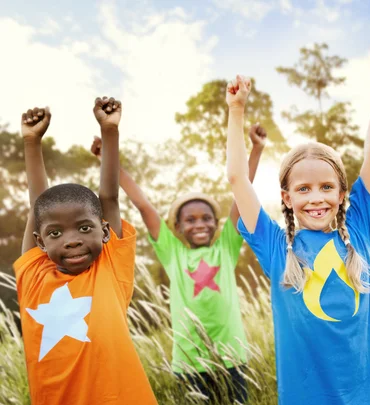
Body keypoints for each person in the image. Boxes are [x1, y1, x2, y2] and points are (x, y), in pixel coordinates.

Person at [226, 47, 370, 404]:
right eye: (303, 189)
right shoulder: (277, 247)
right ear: (287, 198)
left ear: (342, 193)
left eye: (327, 187)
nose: (316, 198)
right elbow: (236, 179)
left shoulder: (358, 227)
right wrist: (236, 112)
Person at [90, 123, 267, 403]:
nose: (200, 224)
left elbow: (241, 196)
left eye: (207, 218)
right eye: (191, 220)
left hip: (232, 357)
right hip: (190, 363)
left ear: (216, 223)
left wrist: (256, 149)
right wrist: (108, 161)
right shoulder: (173, 253)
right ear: (178, 227)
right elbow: (144, 205)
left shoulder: (226, 247)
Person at [14, 99, 158, 404]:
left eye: (84, 228)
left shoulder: (110, 266)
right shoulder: (33, 276)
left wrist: (109, 130)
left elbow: (109, 197)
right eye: (55, 233)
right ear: (40, 242)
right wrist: (31, 142)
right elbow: (37, 205)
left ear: (104, 231)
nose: (71, 240)